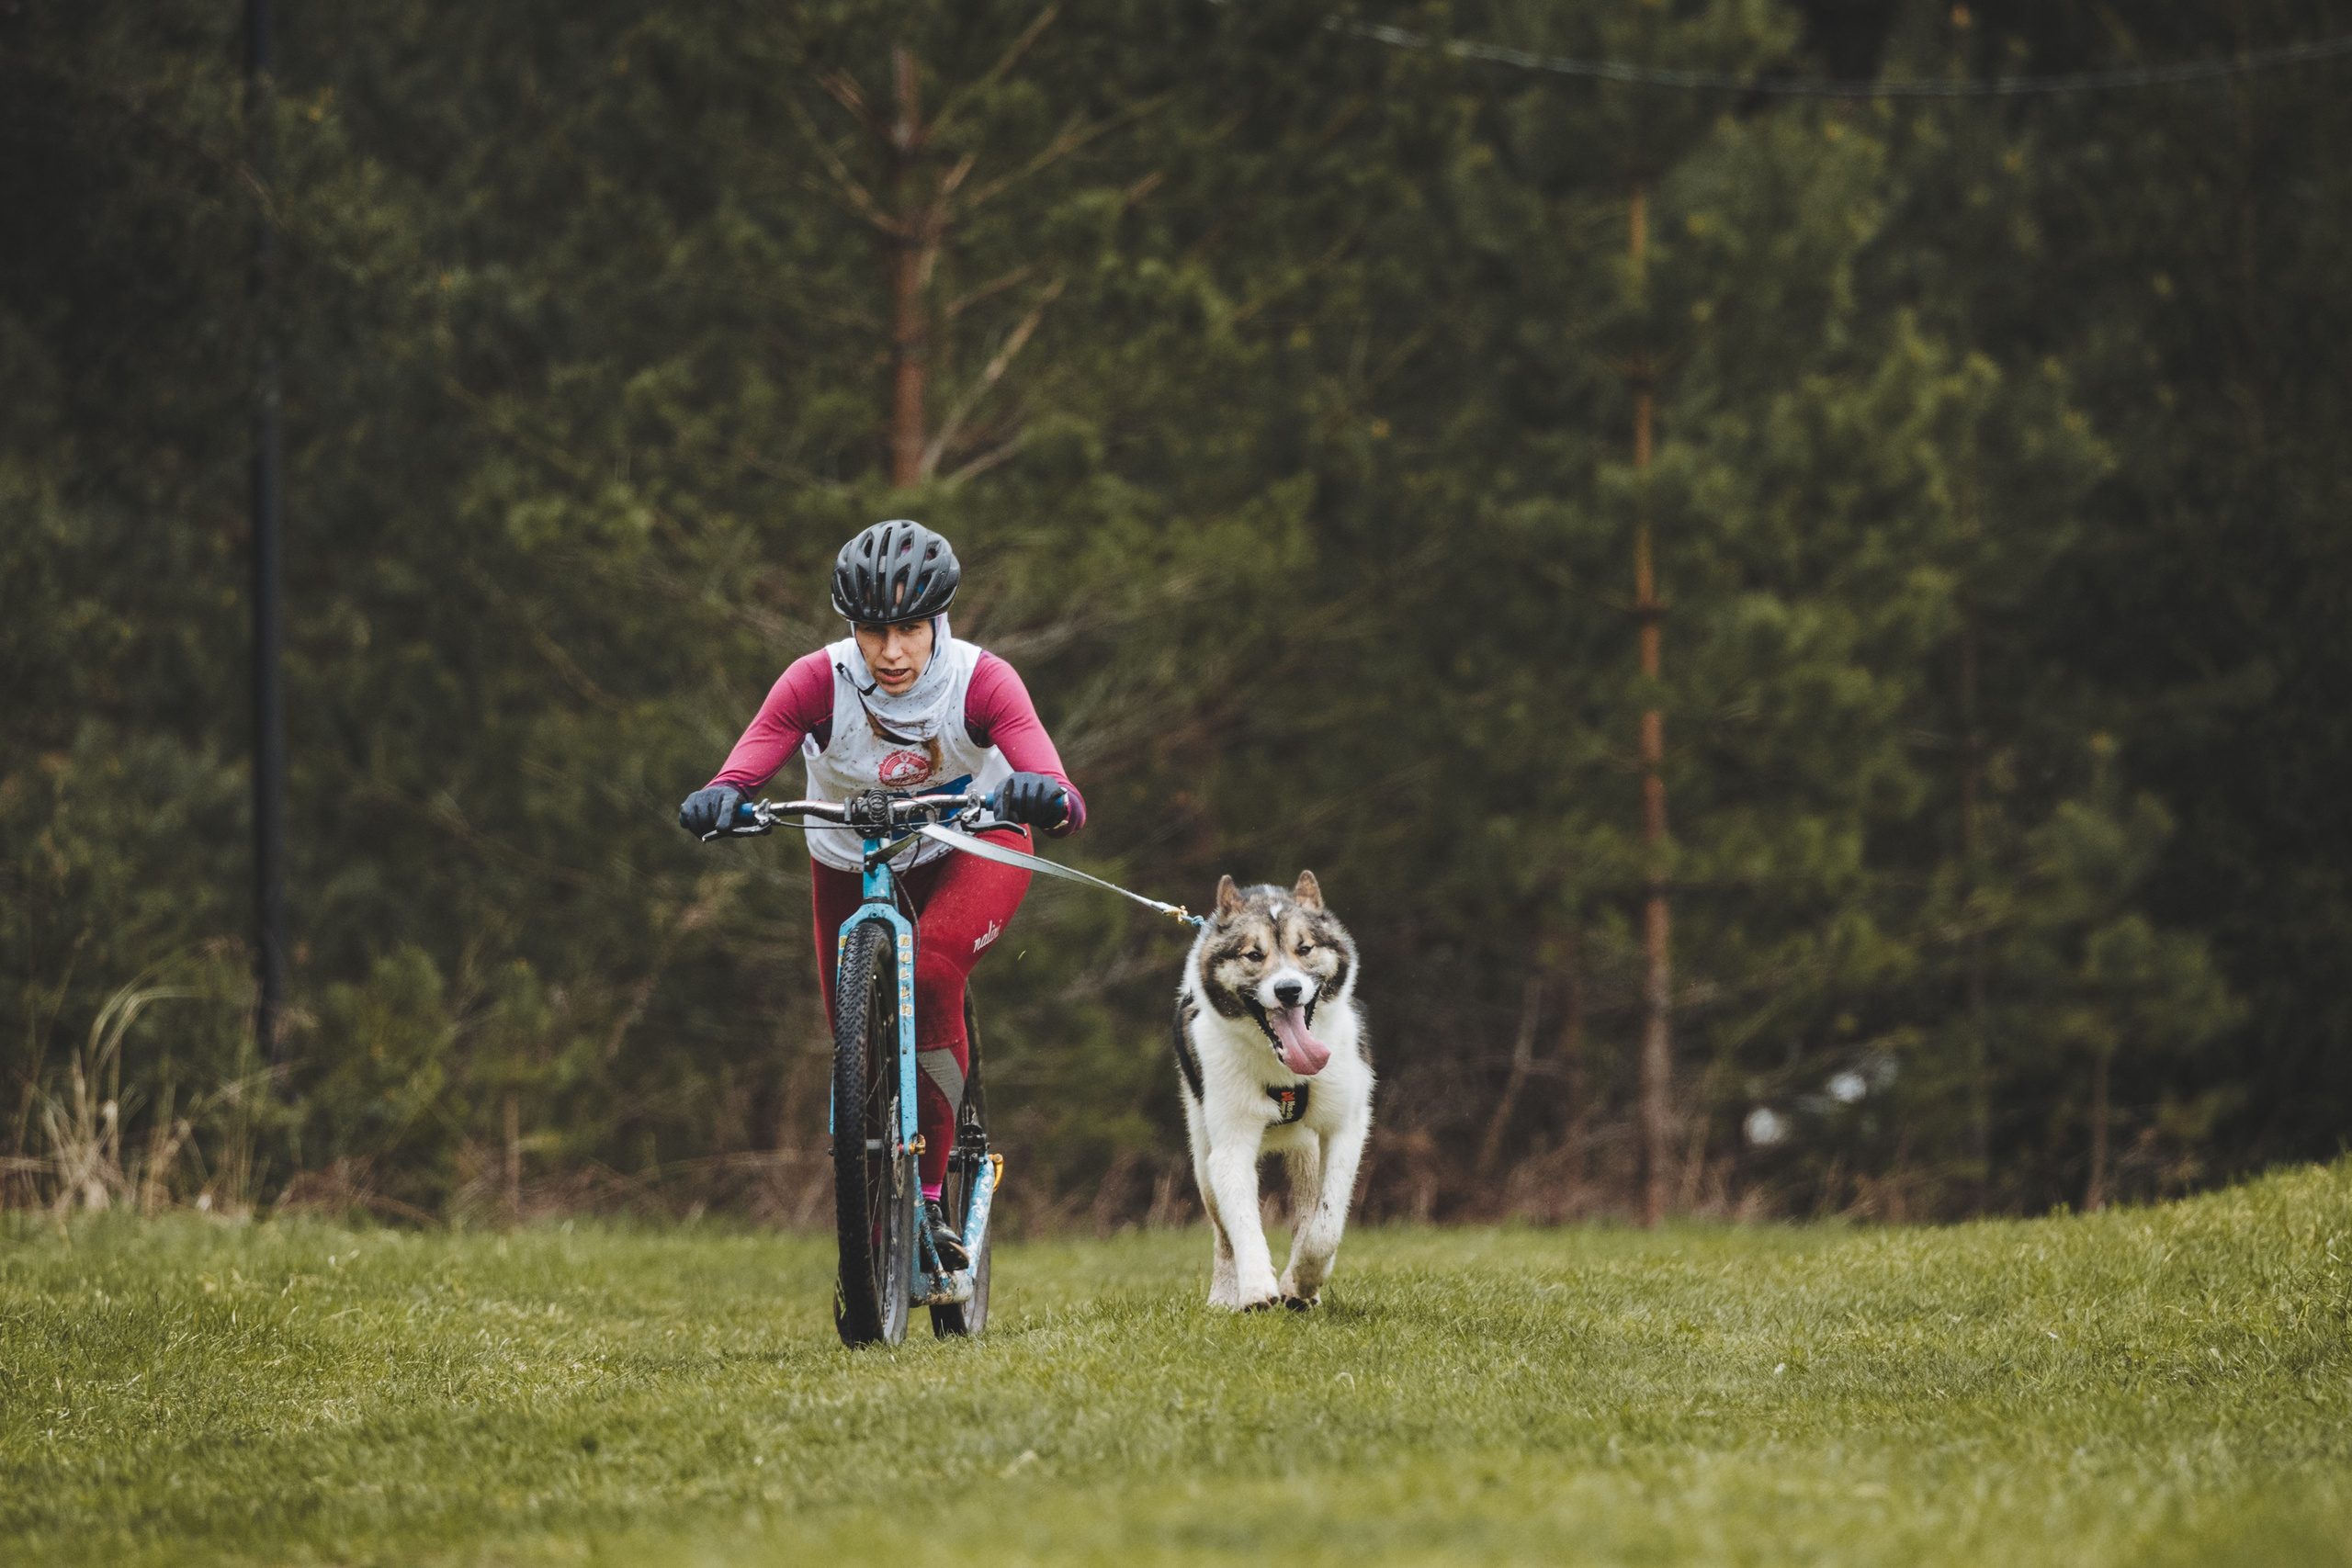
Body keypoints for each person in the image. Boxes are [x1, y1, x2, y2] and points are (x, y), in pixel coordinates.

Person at [677, 519, 1082, 1271]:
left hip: (975, 843)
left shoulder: (981, 681)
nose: (891, 652)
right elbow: (744, 767)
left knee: (930, 975)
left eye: (909, 628)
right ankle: (868, 1244)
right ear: (850, 628)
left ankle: (929, 1199)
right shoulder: (813, 682)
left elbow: (1061, 792)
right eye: (871, 630)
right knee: (852, 1049)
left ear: (939, 622)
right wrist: (721, 797)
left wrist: (1044, 796)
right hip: (850, 853)